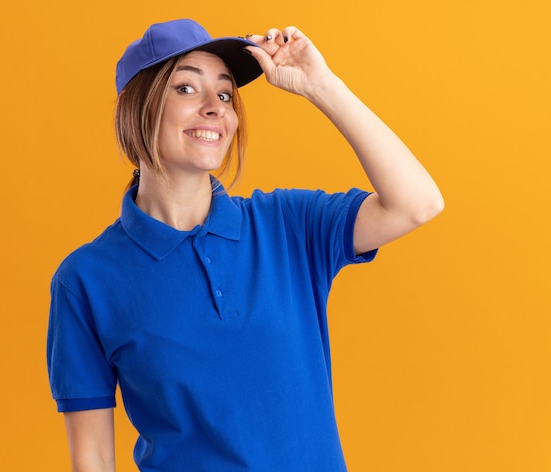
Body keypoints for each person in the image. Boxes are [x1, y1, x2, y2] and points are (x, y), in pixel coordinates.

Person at [47, 18, 443, 472]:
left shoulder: (288, 225)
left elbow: (417, 203)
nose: (216, 108)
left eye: (224, 93)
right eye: (186, 88)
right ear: (137, 109)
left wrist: (322, 86)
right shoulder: (86, 280)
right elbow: (93, 458)